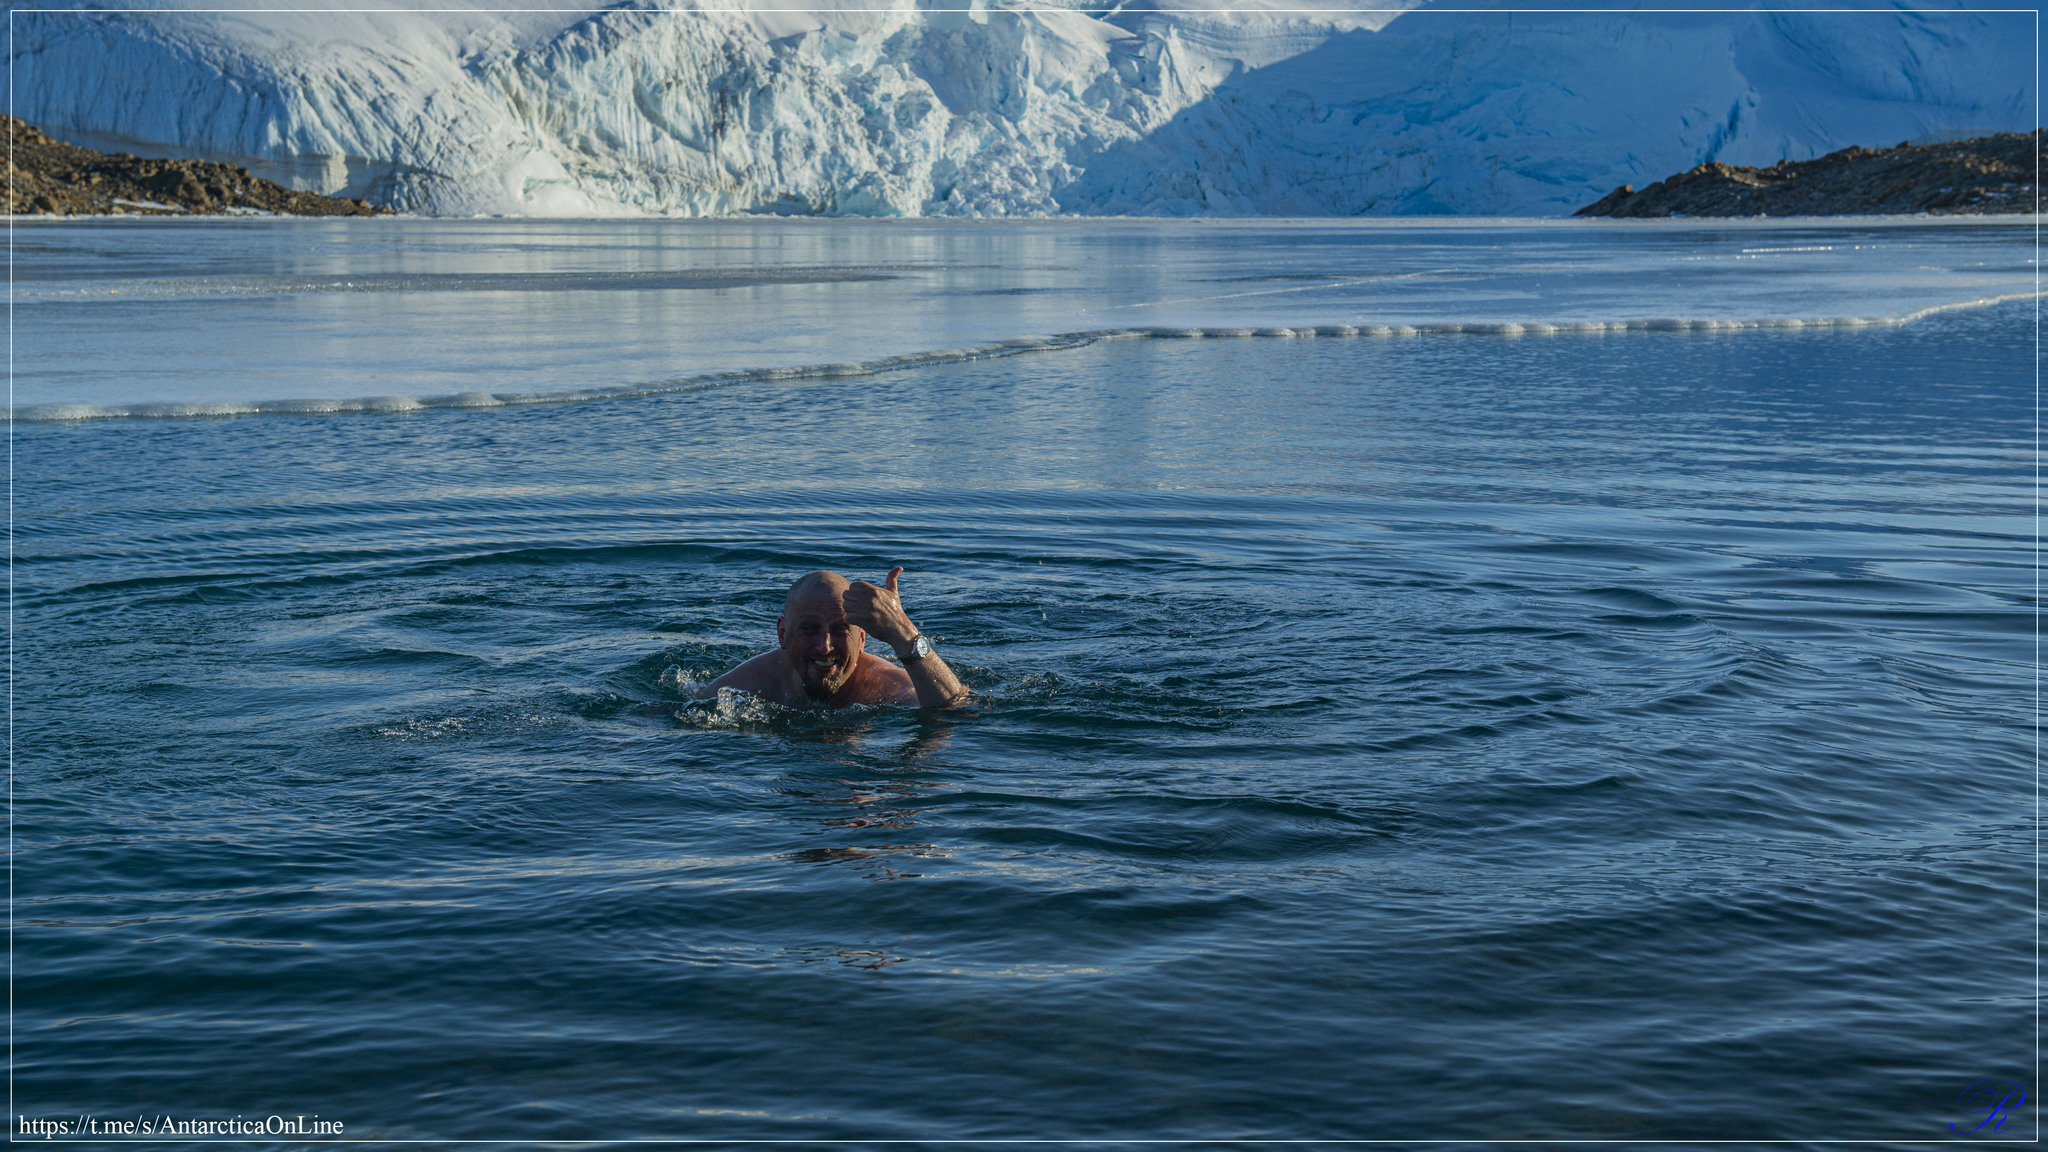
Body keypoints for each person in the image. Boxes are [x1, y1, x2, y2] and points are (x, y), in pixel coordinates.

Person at [699, 567, 970, 709]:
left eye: (840, 630)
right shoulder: (745, 687)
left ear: (862, 639)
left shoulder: (885, 689)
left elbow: (955, 708)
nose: (824, 646)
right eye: (809, 629)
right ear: (782, 633)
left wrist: (903, 633)